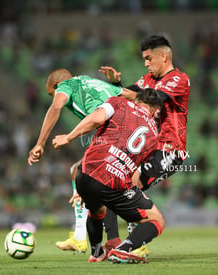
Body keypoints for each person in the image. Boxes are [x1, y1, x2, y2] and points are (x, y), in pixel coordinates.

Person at [99, 34, 190, 255]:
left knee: (131, 183)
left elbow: (151, 99)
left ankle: (133, 245)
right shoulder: (147, 80)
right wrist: (115, 85)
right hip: (145, 148)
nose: (146, 63)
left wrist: (120, 91)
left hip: (169, 149)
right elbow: (128, 94)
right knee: (110, 182)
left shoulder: (178, 79)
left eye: (149, 58)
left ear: (164, 56)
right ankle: (115, 242)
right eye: (144, 59)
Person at [28, 68, 136, 253]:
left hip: (113, 132)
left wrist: (40, 143)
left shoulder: (66, 85)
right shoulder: (95, 82)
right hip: (131, 132)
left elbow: (55, 107)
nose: (53, 97)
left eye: (51, 93)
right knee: (91, 175)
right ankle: (96, 238)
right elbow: (132, 95)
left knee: (83, 174)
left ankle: (87, 238)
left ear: (56, 86)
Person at [52, 88, 164, 263]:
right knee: (156, 220)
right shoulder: (154, 134)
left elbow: (96, 119)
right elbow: (133, 168)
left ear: (137, 101)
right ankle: (122, 249)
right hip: (113, 181)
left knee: (96, 210)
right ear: (155, 110)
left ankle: (96, 252)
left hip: (86, 173)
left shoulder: (118, 102)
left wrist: (68, 137)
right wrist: (132, 193)